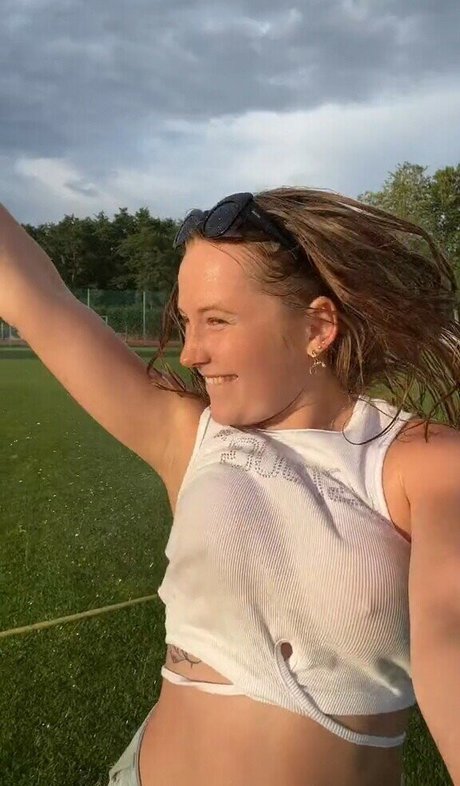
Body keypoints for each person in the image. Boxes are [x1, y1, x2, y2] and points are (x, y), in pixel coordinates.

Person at [1, 187, 459, 786]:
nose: (191, 353)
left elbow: (450, 638)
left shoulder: (420, 461)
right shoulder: (190, 435)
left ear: (318, 326)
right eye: (187, 322)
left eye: (217, 320)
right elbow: (35, 294)